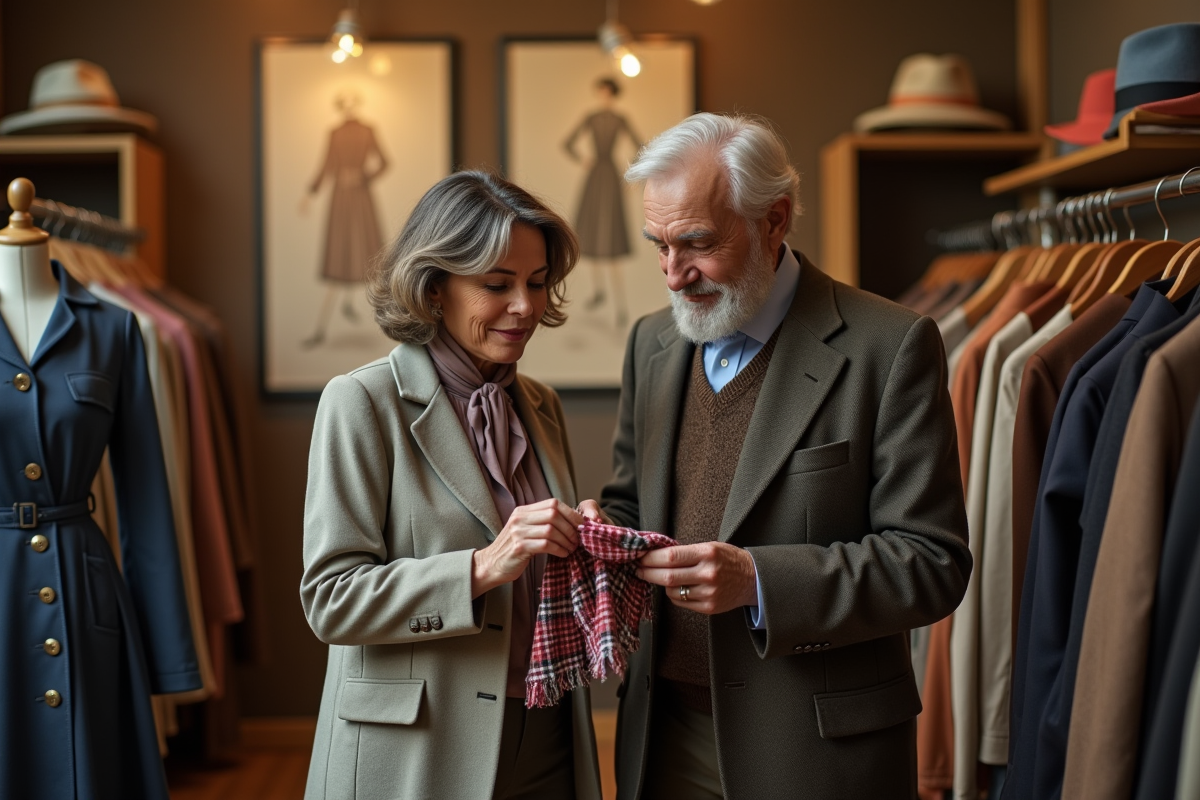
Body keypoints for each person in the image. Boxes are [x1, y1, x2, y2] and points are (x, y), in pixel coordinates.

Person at [579, 112, 972, 799]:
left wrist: (757, 581)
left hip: (815, 750)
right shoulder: (651, 343)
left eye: (696, 243)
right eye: (658, 246)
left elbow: (932, 564)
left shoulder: (891, 345)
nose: (674, 275)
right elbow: (630, 502)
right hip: (663, 734)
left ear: (775, 220)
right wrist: (598, 531)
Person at [301, 170, 602, 800]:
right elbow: (331, 599)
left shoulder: (540, 405)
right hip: (414, 751)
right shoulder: (359, 403)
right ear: (433, 289)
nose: (526, 306)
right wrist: (484, 565)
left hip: (548, 732)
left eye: (539, 283)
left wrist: (584, 546)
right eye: (497, 284)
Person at [563, 77, 642, 329]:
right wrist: (583, 159)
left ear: (612, 94)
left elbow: (641, 146)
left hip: (610, 174)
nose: (603, 97)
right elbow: (568, 143)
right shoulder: (591, 117)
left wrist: (632, 175)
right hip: (596, 174)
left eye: (607, 93)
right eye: (601, 93)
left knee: (611, 238)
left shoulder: (621, 119)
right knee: (592, 233)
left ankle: (619, 302)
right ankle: (599, 291)